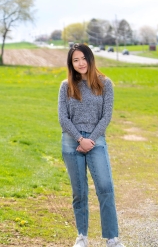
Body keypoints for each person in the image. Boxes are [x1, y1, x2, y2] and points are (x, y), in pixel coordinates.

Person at [58, 43, 125, 247]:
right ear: (71, 64)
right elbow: (63, 118)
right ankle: (82, 236)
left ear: (90, 58)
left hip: (96, 140)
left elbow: (106, 116)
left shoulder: (105, 84)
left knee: (105, 187)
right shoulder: (66, 86)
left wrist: (91, 140)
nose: (80, 63)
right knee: (79, 191)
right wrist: (80, 139)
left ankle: (112, 238)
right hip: (72, 141)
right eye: (75, 60)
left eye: (83, 58)